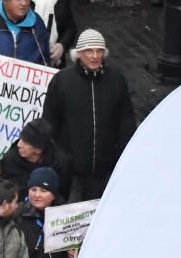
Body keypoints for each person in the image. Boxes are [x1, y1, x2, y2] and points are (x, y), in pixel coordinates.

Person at [42, 29, 136, 202]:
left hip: (104, 169)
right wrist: (58, 159)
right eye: (89, 51)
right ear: (78, 54)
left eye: (99, 51)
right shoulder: (62, 81)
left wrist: (122, 158)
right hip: (70, 170)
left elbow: (126, 123)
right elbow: (49, 122)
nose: (95, 56)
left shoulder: (116, 80)